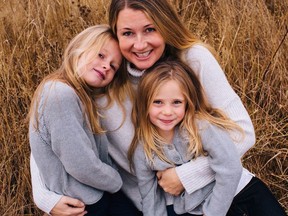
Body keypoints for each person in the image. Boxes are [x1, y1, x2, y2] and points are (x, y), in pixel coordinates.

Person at [30, 0, 259, 215]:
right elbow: (54, 133)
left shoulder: (192, 59)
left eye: (150, 29)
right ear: (117, 34)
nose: (140, 44)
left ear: (165, 25)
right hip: (154, 206)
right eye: (128, 33)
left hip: (224, 187)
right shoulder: (105, 77)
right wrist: (45, 197)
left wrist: (187, 176)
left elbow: (243, 133)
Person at [130, 60, 286, 216]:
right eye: (158, 102)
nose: (167, 111)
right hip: (199, 209)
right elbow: (150, 199)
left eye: (176, 102)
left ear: (187, 103)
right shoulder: (143, 150)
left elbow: (230, 167)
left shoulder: (200, 126)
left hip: (242, 193)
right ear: (144, 104)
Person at [28, 24, 128, 216]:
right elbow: (81, 165)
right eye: (101, 55)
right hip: (84, 203)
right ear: (79, 48)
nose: (107, 65)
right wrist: (117, 181)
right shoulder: (60, 94)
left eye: (114, 66)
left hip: (88, 197)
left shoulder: (79, 95)